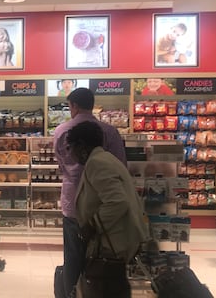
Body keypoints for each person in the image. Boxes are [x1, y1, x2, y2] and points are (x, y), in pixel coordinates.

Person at [53, 87, 127, 298]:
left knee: (72, 257)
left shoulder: (61, 131)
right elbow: (120, 165)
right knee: (101, 257)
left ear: (74, 105)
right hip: (103, 207)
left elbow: (61, 165)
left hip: (72, 203)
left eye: (69, 106)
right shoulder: (109, 131)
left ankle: (71, 294)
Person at [69, 121, 149, 298]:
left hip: (111, 245)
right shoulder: (105, 158)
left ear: (81, 146)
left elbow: (117, 201)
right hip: (114, 244)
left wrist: (91, 224)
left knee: (105, 288)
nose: (70, 153)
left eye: (71, 147)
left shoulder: (97, 163)